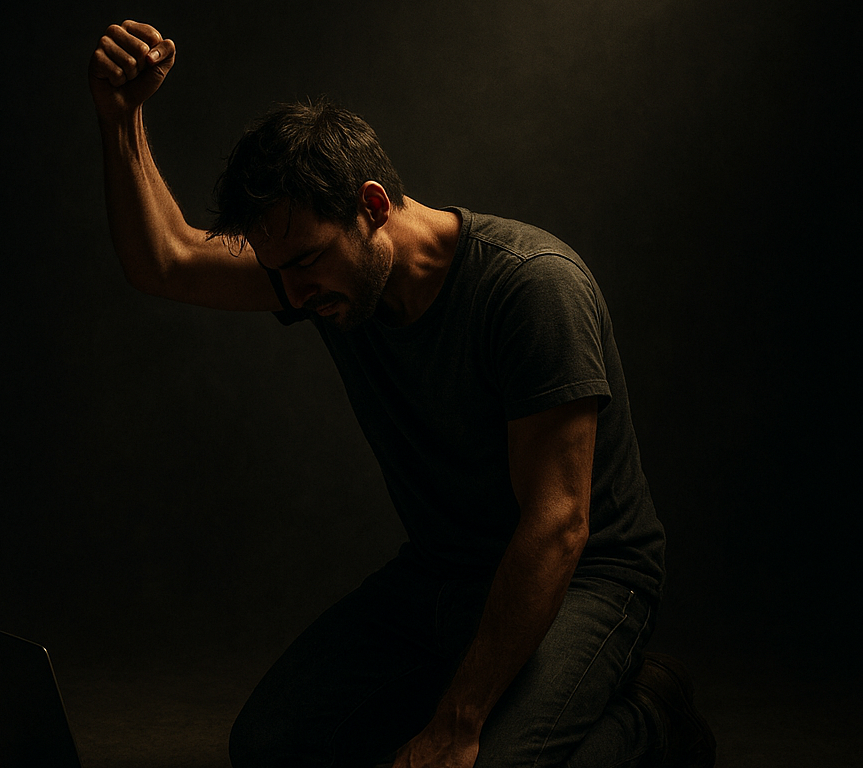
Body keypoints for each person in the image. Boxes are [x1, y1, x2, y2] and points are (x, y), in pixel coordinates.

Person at [88, 19, 716, 768]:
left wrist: (458, 721)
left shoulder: (533, 286)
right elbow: (167, 259)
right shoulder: (318, 274)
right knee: (268, 746)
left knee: (484, 759)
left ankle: (650, 711)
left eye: (307, 263)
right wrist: (121, 118)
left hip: (588, 580)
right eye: (276, 270)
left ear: (375, 206)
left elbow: (558, 525)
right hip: (446, 571)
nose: (290, 292)